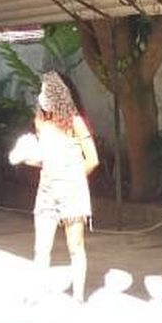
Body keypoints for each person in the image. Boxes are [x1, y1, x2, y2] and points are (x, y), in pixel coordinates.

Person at [24, 71, 98, 300]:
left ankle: (78, 296)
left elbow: (92, 160)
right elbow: (43, 158)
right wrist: (27, 158)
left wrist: (73, 179)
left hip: (72, 192)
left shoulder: (75, 122)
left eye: (46, 91)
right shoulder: (41, 123)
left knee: (75, 246)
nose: (42, 95)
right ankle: (36, 294)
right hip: (46, 192)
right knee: (41, 248)